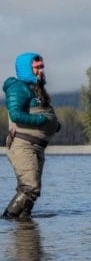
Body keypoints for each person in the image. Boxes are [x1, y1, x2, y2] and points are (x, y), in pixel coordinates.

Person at [2, 53, 60, 220]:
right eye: (37, 67)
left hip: (37, 147)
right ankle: (6, 220)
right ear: (27, 69)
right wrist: (41, 120)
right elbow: (16, 114)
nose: (41, 70)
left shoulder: (37, 88)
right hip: (23, 146)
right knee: (30, 188)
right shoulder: (18, 87)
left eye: (42, 66)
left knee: (31, 191)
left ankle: (25, 228)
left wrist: (54, 125)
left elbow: (43, 112)